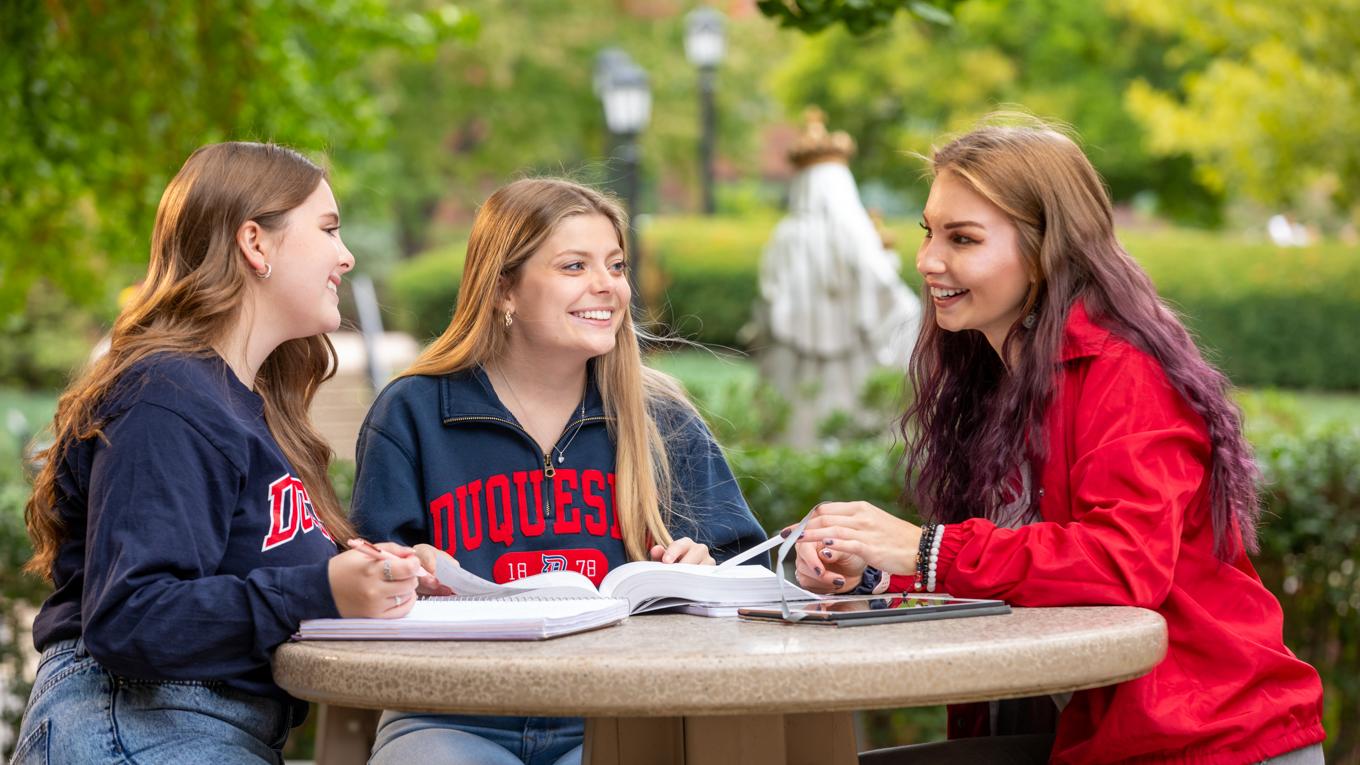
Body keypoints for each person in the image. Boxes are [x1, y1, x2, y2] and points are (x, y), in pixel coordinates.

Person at [792, 119, 1326, 764]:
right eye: (929, 232)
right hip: (1091, 737)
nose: (929, 260)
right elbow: (1020, 565)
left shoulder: (1125, 373)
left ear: (1048, 253)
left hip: (1210, 741)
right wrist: (876, 571)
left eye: (963, 238)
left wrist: (927, 549)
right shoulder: (995, 376)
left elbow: (1125, 564)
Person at [13, 142, 427, 765]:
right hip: (132, 723)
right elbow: (130, 616)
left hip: (193, 728)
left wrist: (362, 571)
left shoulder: (242, 406)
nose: (345, 257)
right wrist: (319, 591)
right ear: (255, 244)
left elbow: (238, 573)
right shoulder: (167, 394)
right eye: (328, 229)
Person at [351, 177, 767, 765]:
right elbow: (360, 591)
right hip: (451, 717)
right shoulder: (413, 412)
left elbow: (753, 575)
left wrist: (707, 575)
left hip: (619, 715)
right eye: (574, 266)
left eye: (616, 266)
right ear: (504, 291)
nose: (607, 286)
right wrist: (401, 573)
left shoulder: (660, 416)